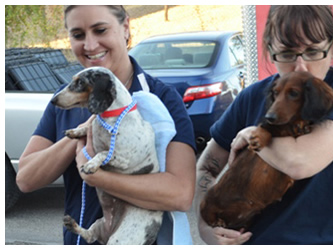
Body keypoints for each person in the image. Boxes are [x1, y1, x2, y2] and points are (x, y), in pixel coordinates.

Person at [16, 5, 197, 245]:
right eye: (78, 35)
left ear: (125, 28)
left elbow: (180, 194)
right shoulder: (65, 100)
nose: (90, 45)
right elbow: (26, 178)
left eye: (100, 30)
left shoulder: (160, 97)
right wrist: (82, 134)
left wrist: (97, 177)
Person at [195, 5, 333, 245]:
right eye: (287, 54)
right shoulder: (252, 96)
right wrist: (205, 224)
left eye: (312, 52)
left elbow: (300, 162)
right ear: (270, 51)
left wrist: (253, 134)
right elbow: (206, 166)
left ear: (332, 48)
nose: (300, 67)